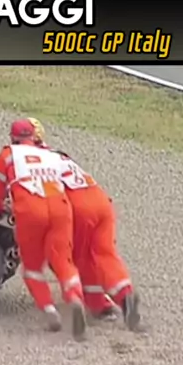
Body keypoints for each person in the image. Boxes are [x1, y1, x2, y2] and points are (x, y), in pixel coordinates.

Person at [26, 117, 140, 331]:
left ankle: (97, 304)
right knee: (105, 254)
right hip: (100, 201)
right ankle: (125, 295)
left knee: (73, 257)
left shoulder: (30, 162)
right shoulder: (59, 155)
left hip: (76, 208)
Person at [0, 119, 87, 339]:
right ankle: (74, 297)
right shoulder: (51, 154)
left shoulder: (8, 154)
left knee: (32, 266)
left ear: (12, 137)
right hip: (60, 208)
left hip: (30, 209)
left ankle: (49, 309)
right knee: (63, 261)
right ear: (34, 136)